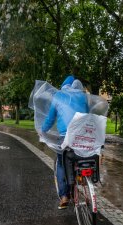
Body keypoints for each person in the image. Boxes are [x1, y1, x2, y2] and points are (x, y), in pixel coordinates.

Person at [41, 75, 89, 209]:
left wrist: (43, 130)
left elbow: (50, 119)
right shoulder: (83, 96)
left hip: (65, 136)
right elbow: (87, 114)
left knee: (61, 162)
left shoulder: (58, 96)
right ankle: (81, 178)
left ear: (63, 86)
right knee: (80, 156)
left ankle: (64, 196)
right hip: (83, 135)